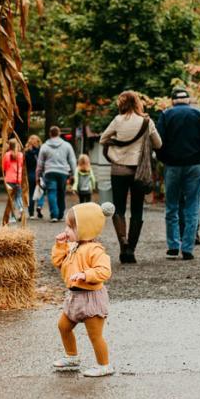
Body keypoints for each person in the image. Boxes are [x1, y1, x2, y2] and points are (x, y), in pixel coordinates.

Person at [51, 201, 116, 378]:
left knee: (95, 335)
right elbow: (58, 263)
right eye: (66, 226)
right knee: (63, 326)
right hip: (74, 297)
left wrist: (85, 275)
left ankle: (104, 365)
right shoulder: (72, 246)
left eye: (71, 227)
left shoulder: (95, 250)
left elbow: (104, 271)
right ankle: (72, 357)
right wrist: (59, 246)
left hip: (91, 298)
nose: (66, 231)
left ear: (86, 229)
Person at [155, 88, 200, 261]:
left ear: (172, 101)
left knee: (172, 206)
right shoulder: (198, 114)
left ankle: (173, 246)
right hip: (194, 165)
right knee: (192, 205)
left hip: (173, 166)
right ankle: (188, 248)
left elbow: (157, 142)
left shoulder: (166, 115)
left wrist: (164, 158)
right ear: (188, 100)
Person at [99, 91, 161, 264]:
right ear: (137, 103)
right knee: (137, 209)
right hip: (139, 172)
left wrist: (117, 143)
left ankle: (123, 243)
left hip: (118, 170)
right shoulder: (146, 121)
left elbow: (103, 139)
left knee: (118, 208)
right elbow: (159, 144)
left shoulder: (117, 121)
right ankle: (131, 250)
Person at [36, 126, 76, 222]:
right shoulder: (67, 145)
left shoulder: (45, 146)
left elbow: (40, 163)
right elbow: (72, 160)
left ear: (50, 133)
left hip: (49, 172)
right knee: (61, 193)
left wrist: (38, 175)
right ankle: (61, 214)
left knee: (51, 192)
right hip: (63, 172)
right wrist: (73, 174)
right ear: (59, 133)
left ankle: (54, 214)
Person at [1, 139, 26, 225]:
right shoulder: (21, 155)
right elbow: (21, 165)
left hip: (9, 180)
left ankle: (12, 218)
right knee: (18, 197)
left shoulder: (7, 155)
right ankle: (21, 209)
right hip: (18, 180)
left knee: (11, 200)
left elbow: (4, 167)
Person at [24, 135, 42, 218]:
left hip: (30, 174)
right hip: (39, 174)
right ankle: (39, 206)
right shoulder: (40, 151)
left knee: (31, 194)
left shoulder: (26, 152)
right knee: (40, 192)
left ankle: (31, 213)